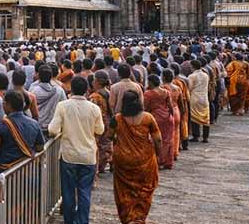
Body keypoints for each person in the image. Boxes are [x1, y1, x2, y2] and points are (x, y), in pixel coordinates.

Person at [49, 76, 104, 224]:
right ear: (86, 90)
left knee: (68, 192)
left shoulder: (63, 106)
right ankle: (82, 221)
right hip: (88, 156)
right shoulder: (94, 108)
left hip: (69, 156)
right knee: (84, 192)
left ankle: (70, 220)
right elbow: (100, 130)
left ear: (71, 89)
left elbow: (53, 129)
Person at [111, 90, 161, 224]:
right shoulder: (148, 118)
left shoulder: (117, 119)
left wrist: (119, 144)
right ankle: (139, 218)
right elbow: (158, 139)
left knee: (123, 190)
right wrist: (157, 154)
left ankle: (128, 218)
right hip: (144, 159)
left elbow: (109, 135)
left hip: (123, 160)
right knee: (144, 189)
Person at [0, 90, 45, 176]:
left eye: (4, 103)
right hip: (28, 170)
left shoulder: (1, 125)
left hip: (6, 172)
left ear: (9, 105)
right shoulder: (34, 124)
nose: (3, 105)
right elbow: (40, 147)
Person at [142, 74, 175, 170]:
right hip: (167, 117)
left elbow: (145, 108)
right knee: (168, 140)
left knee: (155, 140)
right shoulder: (166, 92)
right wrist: (171, 116)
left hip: (155, 118)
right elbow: (170, 106)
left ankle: (158, 161)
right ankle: (168, 162)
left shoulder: (148, 94)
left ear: (151, 82)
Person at [30, 65, 66, 131]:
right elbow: (64, 109)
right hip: (53, 127)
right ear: (51, 77)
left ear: (39, 76)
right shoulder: (59, 91)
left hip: (36, 127)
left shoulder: (33, 91)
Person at [186, 60, 211, 143]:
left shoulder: (191, 76)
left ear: (193, 66)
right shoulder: (205, 75)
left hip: (195, 97)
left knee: (194, 117)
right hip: (204, 97)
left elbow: (189, 88)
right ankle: (205, 137)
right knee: (206, 117)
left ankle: (196, 136)